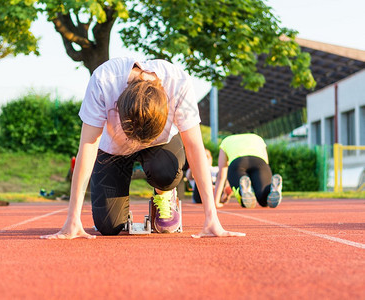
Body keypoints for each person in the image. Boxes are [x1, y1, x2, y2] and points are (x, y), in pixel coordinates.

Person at [41, 57, 245, 239]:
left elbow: (194, 146)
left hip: (160, 145)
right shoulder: (104, 80)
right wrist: (72, 218)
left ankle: (164, 193)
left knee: (167, 172)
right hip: (113, 149)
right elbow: (87, 146)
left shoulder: (178, 82)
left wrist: (212, 217)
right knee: (108, 226)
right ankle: (116, 210)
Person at [213, 133, 282, 209]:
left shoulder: (226, 141)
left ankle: (244, 191)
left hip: (237, 163)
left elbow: (221, 175)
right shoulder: (258, 138)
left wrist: (216, 202)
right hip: (260, 163)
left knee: (244, 201)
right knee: (263, 200)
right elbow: (266, 163)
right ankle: (271, 189)